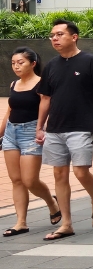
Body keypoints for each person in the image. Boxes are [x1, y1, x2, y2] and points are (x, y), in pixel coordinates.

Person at [36, 19, 93, 241]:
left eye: (59, 34)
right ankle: (66, 224)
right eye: (52, 36)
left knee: (80, 171)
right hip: (55, 128)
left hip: (81, 126)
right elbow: (45, 98)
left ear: (74, 36)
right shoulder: (51, 66)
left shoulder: (90, 61)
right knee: (59, 174)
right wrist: (40, 126)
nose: (55, 39)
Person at [2, 48, 59, 236]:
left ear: (33, 64)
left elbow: (48, 109)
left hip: (31, 133)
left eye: (21, 62)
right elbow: (9, 112)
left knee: (29, 180)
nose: (16, 66)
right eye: (13, 63)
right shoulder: (14, 84)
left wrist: (41, 129)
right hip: (11, 133)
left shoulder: (42, 84)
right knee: (16, 180)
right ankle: (21, 222)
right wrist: (1, 133)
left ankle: (52, 202)